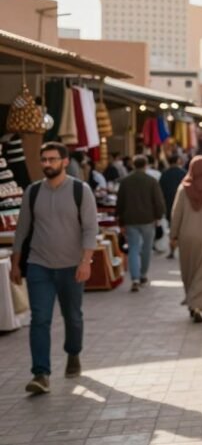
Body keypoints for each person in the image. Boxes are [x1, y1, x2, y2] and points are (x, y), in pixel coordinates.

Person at [10, 142, 98, 395]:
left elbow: (91, 229)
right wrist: (16, 263)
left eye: (52, 159)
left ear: (64, 161)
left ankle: (73, 354)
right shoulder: (33, 192)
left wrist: (86, 262)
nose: (47, 164)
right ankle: (41, 373)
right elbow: (22, 229)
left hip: (72, 267)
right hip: (39, 265)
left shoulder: (81, 190)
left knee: (72, 316)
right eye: (44, 160)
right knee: (40, 319)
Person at [170, 156, 202, 323]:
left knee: (189, 271)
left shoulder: (183, 189)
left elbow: (176, 214)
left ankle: (192, 303)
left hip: (186, 237)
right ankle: (197, 304)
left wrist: (173, 235)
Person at [115, 155, 166, 293]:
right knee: (147, 248)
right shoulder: (151, 181)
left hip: (130, 219)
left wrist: (119, 219)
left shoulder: (125, 181)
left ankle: (135, 278)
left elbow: (120, 201)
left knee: (133, 248)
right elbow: (158, 201)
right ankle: (143, 274)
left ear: (133, 165)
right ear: (146, 165)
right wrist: (158, 216)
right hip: (148, 220)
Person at [160, 154, 187, 259]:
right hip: (182, 205)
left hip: (168, 204)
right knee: (182, 228)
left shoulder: (164, 174)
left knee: (172, 228)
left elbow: (160, 190)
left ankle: (172, 250)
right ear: (178, 161)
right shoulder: (183, 173)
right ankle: (182, 249)